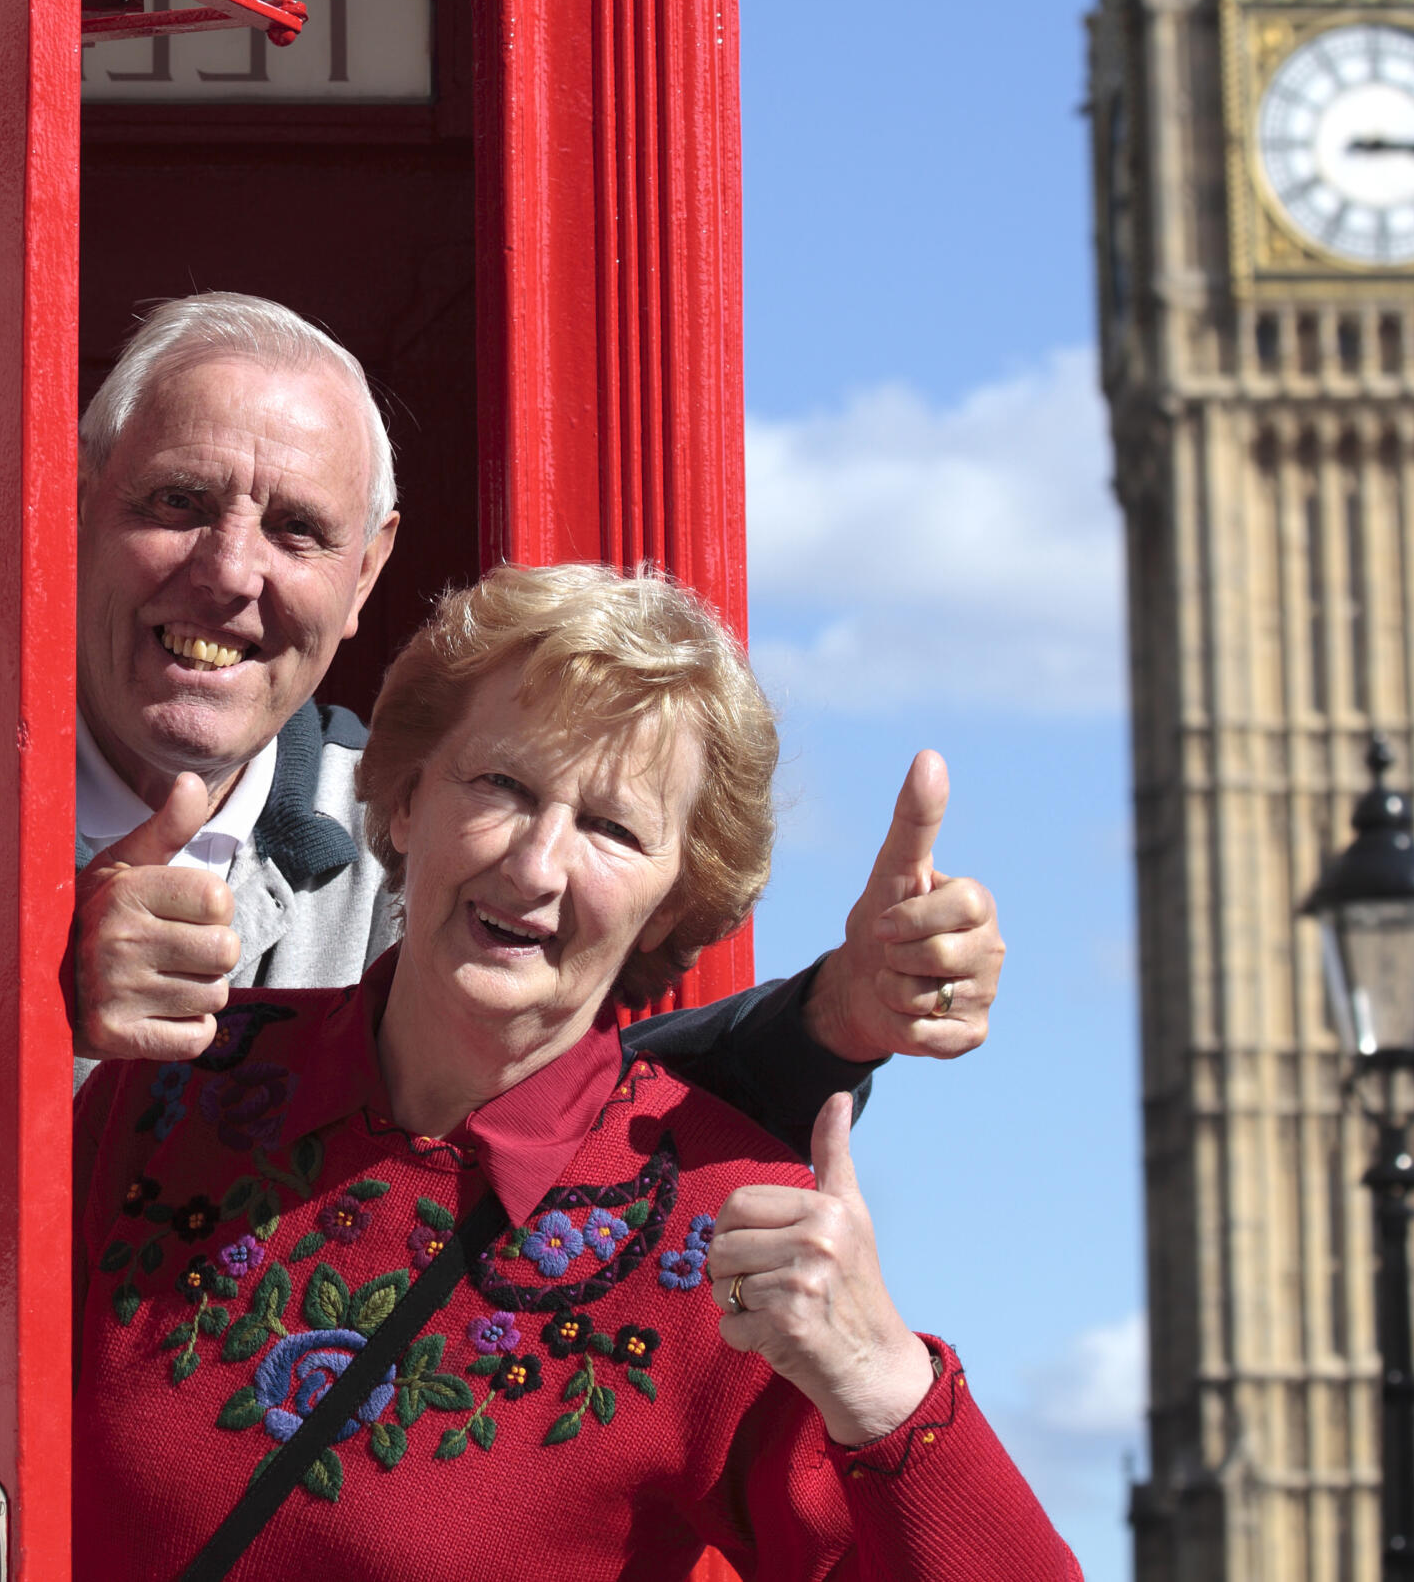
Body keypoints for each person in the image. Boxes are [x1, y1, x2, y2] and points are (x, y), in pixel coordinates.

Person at [0, 293, 1008, 1186]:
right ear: (70, 504)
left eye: (298, 530)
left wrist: (830, 1024)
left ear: (369, 575)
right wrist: (29, 988)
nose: (231, 571)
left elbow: (573, 1113)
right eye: (179, 502)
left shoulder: (408, 820)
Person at [71, 563, 1076, 1581]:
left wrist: (882, 1377)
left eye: (611, 827)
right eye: (500, 784)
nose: (536, 863)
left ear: (677, 899)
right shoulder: (169, 1087)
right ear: (408, 796)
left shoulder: (720, 1233)